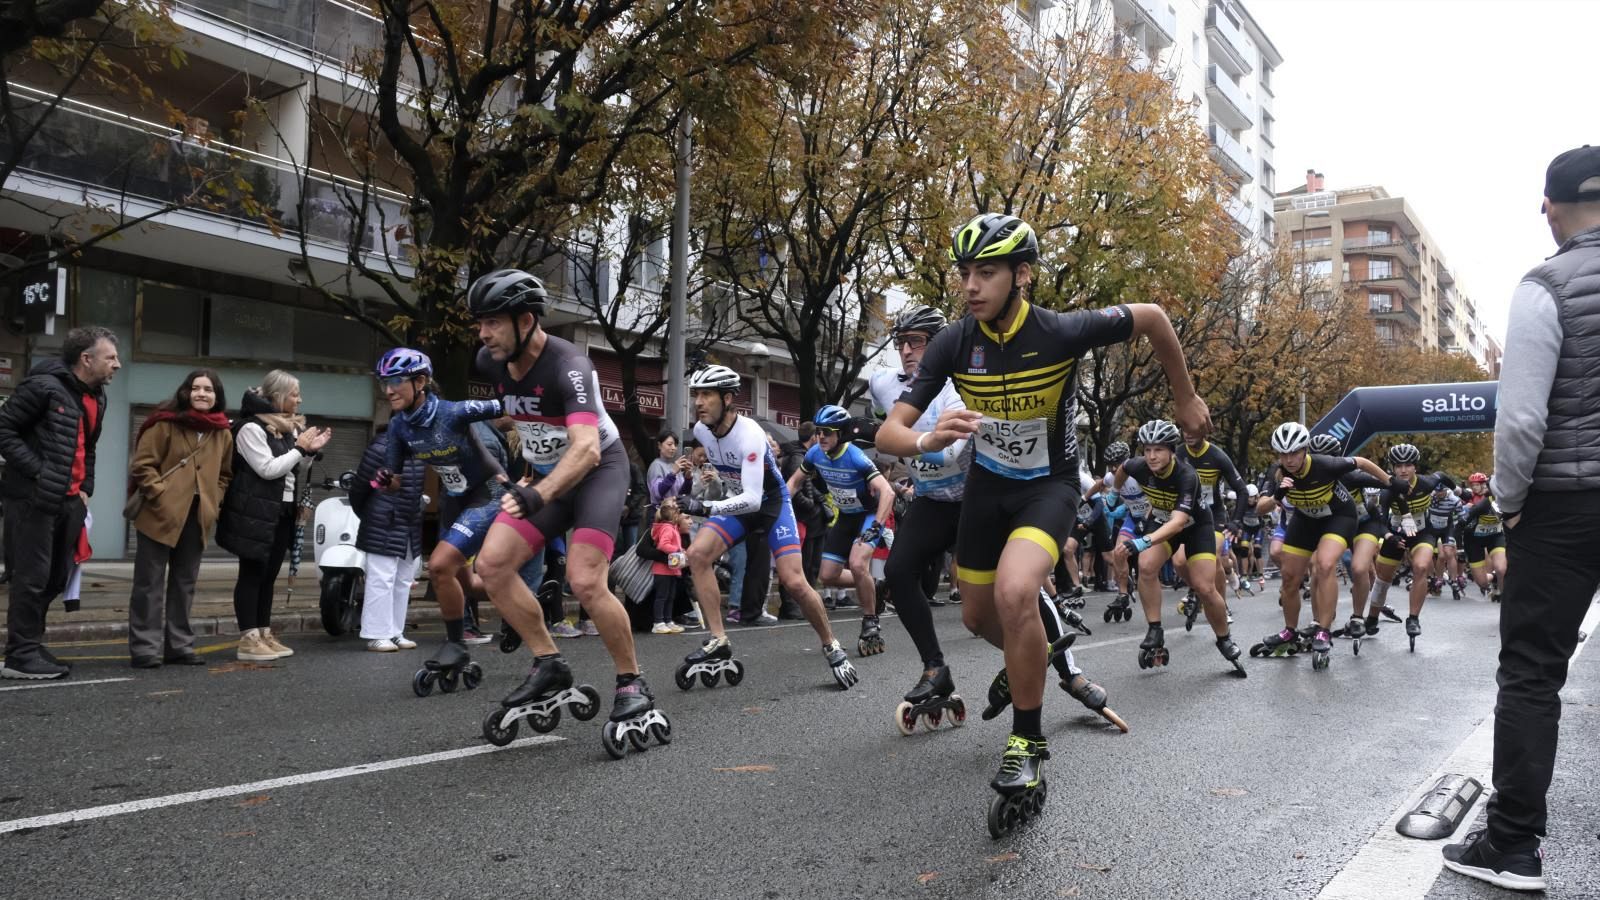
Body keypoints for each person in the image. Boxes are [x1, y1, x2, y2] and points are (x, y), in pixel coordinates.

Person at [875, 212, 1208, 829]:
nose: (971, 286)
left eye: (988, 272)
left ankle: (1027, 744)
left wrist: (1184, 396)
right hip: (987, 487)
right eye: (965, 274)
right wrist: (925, 440)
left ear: (1021, 275)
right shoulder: (953, 342)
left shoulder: (1060, 332)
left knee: (1015, 591)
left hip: (1048, 489)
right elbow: (889, 431)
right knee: (977, 616)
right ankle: (1033, 655)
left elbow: (1155, 319)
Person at [1440, 145, 1600, 893]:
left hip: (1564, 506)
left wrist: (1508, 504)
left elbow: (1522, 418)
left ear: (1551, 207)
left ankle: (1511, 845)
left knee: (1533, 673)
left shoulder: (1546, 284)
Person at [466, 269, 668, 740]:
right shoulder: (490, 361)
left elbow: (586, 449)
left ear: (527, 320)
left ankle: (631, 681)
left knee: (584, 580)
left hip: (597, 473)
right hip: (546, 478)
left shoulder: (569, 367)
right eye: (479, 323)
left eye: (492, 322)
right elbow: (517, 419)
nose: (483, 334)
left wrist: (537, 492)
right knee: (492, 566)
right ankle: (548, 662)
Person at [675, 365, 859, 689]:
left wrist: (704, 507)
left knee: (794, 582)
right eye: (696, 395)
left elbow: (753, 499)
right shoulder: (702, 432)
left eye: (706, 395)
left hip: (770, 505)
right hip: (740, 503)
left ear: (728, 398)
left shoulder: (750, 435)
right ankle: (718, 639)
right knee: (698, 555)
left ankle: (832, 645)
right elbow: (734, 491)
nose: (698, 402)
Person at [373, 347, 517, 675]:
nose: (389, 390)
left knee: (438, 566)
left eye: (395, 381)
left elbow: (512, 405)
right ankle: (525, 602)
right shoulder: (399, 426)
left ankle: (456, 645)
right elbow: (393, 481)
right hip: (455, 500)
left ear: (420, 381)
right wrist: (385, 481)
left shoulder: (454, 412)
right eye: (384, 382)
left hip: (487, 494)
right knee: (463, 581)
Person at [0, 326, 120, 679]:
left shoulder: (97, 396)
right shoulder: (42, 387)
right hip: (32, 500)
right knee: (31, 578)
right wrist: (39, 472)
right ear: (86, 359)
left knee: (55, 578)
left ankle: (31, 646)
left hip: (70, 501)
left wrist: (87, 488)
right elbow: (3, 430)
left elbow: (90, 447)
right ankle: (20, 656)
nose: (118, 364)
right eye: (110, 357)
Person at [1113, 420, 1244, 677]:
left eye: (1159, 450)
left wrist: (1143, 541)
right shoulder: (1138, 465)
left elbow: (1179, 522)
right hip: (1161, 520)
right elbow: (1122, 468)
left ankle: (1224, 637)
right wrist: (1113, 493)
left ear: (1172, 451)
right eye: (1147, 449)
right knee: (1147, 566)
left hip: (1195, 526)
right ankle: (1154, 628)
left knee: (1205, 587)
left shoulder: (1187, 475)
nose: (1151, 456)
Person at [216, 371, 331, 662]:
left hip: (283, 509)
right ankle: (248, 638)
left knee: (269, 575)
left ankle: (264, 631)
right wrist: (300, 448)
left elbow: (292, 469)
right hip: (254, 510)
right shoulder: (250, 428)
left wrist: (308, 453)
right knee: (252, 573)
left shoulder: (286, 428)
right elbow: (267, 469)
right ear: (278, 396)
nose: (299, 399)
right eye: (294, 394)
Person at [125, 369, 233, 668]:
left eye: (208, 389)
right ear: (185, 392)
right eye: (196, 388)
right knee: (149, 583)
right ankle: (145, 648)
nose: (201, 394)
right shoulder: (165, 424)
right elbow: (143, 465)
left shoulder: (222, 432)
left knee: (185, 583)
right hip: (158, 515)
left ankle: (179, 646)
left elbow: (224, 474)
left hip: (198, 516)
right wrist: (160, 494)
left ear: (216, 396)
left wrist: (215, 501)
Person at [787, 404, 894, 654]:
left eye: (828, 432)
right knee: (828, 575)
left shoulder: (855, 455)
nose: (821, 436)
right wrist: (779, 508)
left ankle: (870, 622)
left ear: (842, 433)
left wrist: (877, 525)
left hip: (868, 516)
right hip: (846, 517)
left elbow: (887, 491)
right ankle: (874, 586)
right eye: (818, 431)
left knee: (857, 564)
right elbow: (793, 483)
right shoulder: (814, 454)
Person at [349, 424, 425, 652]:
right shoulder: (382, 447)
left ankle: (395, 631)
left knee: (403, 579)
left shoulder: (419, 448)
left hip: (408, 521)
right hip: (384, 520)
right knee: (382, 578)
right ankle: (376, 634)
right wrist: (371, 515)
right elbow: (360, 488)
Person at [649, 497, 689, 634]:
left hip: (672, 569)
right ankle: (658, 622)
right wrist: (677, 550)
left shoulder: (672, 528)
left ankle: (667, 620)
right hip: (663, 570)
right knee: (662, 596)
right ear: (673, 516)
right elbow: (663, 545)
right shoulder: (667, 528)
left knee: (670, 596)